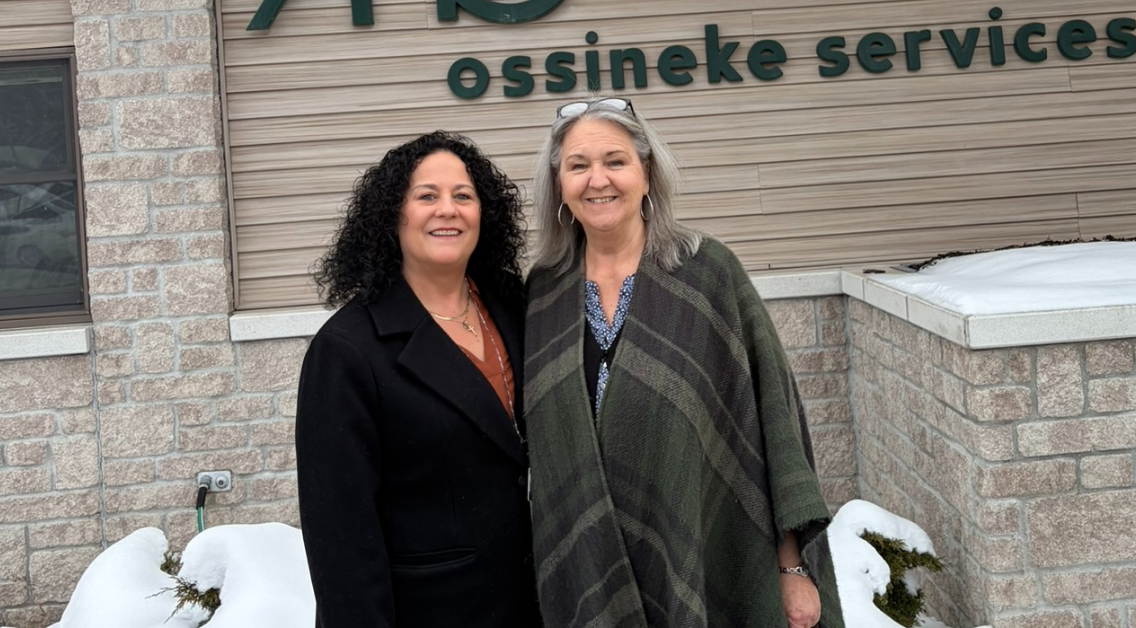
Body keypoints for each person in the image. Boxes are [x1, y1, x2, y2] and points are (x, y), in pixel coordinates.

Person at [523, 98, 845, 628]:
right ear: (558, 185)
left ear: (646, 173)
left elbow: (772, 423)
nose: (596, 179)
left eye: (615, 161)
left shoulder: (707, 275)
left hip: (700, 549)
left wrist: (790, 568)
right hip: (585, 565)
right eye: (578, 166)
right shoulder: (542, 293)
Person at [295, 131, 539, 628]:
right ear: (393, 215)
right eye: (427, 196)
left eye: (463, 196)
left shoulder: (516, 311)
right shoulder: (347, 350)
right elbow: (341, 541)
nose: (447, 209)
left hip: (533, 606)